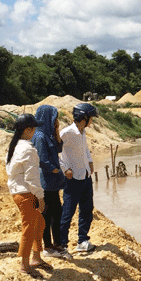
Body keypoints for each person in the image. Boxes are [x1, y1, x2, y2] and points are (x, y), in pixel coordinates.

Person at [5, 113, 52, 277]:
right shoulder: (29, 149)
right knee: (29, 228)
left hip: (18, 191)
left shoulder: (14, 146)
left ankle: (36, 258)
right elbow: (32, 177)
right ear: (27, 130)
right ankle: (25, 265)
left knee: (39, 223)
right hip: (26, 193)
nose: (34, 132)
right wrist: (40, 197)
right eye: (33, 129)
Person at [32, 105, 70, 260]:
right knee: (47, 214)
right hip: (46, 181)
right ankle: (47, 247)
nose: (56, 121)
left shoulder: (48, 134)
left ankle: (56, 244)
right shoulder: (39, 136)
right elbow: (42, 160)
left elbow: (59, 147)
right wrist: (54, 169)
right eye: (54, 118)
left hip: (52, 181)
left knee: (57, 212)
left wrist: (56, 132)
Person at [59, 103, 98, 253]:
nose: (92, 121)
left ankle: (82, 240)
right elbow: (56, 152)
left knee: (87, 210)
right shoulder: (67, 132)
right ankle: (62, 245)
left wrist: (90, 162)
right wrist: (65, 169)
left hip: (85, 176)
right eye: (91, 118)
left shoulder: (82, 132)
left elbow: (85, 149)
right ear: (84, 118)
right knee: (67, 212)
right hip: (72, 178)